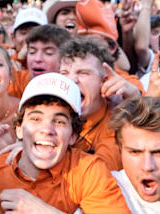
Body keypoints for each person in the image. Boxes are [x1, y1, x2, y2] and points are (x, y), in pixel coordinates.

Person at [0, 72, 136, 214]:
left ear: (72, 136)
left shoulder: (87, 170)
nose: (47, 129)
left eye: (59, 121)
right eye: (36, 119)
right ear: (19, 128)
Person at [59, 38, 141, 171]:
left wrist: (136, 100)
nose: (71, 80)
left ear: (105, 82)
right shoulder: (46, 118)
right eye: (64, 73)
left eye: (83, 73)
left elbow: (101, 172)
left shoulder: (116, 122)